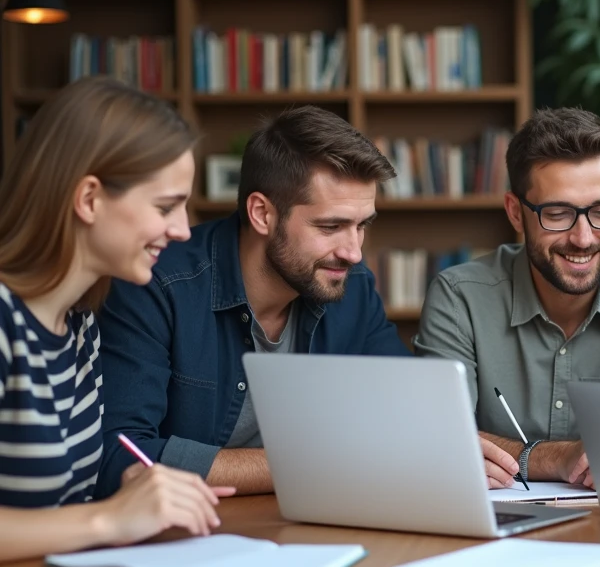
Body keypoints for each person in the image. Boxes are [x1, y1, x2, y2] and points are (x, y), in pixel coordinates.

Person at [96, 106, 409, 499]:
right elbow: (121, 456)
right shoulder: (156, 283)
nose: (353, 253)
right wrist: (313, 466)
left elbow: (406, 419)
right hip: (193, 536)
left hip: (312, 524)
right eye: (331, 226)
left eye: (361, 226)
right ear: (262, 214)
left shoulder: (352, 288)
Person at [0, 77, 234, 563]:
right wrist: (109, 518)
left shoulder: (79, 326)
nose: (183, 229)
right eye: (165, 206)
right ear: (88, 199)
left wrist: (137, 488)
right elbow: (85, 518)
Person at [414, 107, 600, 489]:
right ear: (516, 213)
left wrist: (500, 451)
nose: (584, 238)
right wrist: (556, 458)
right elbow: (438, 438)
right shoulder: (460, 299)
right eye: (557, 214)